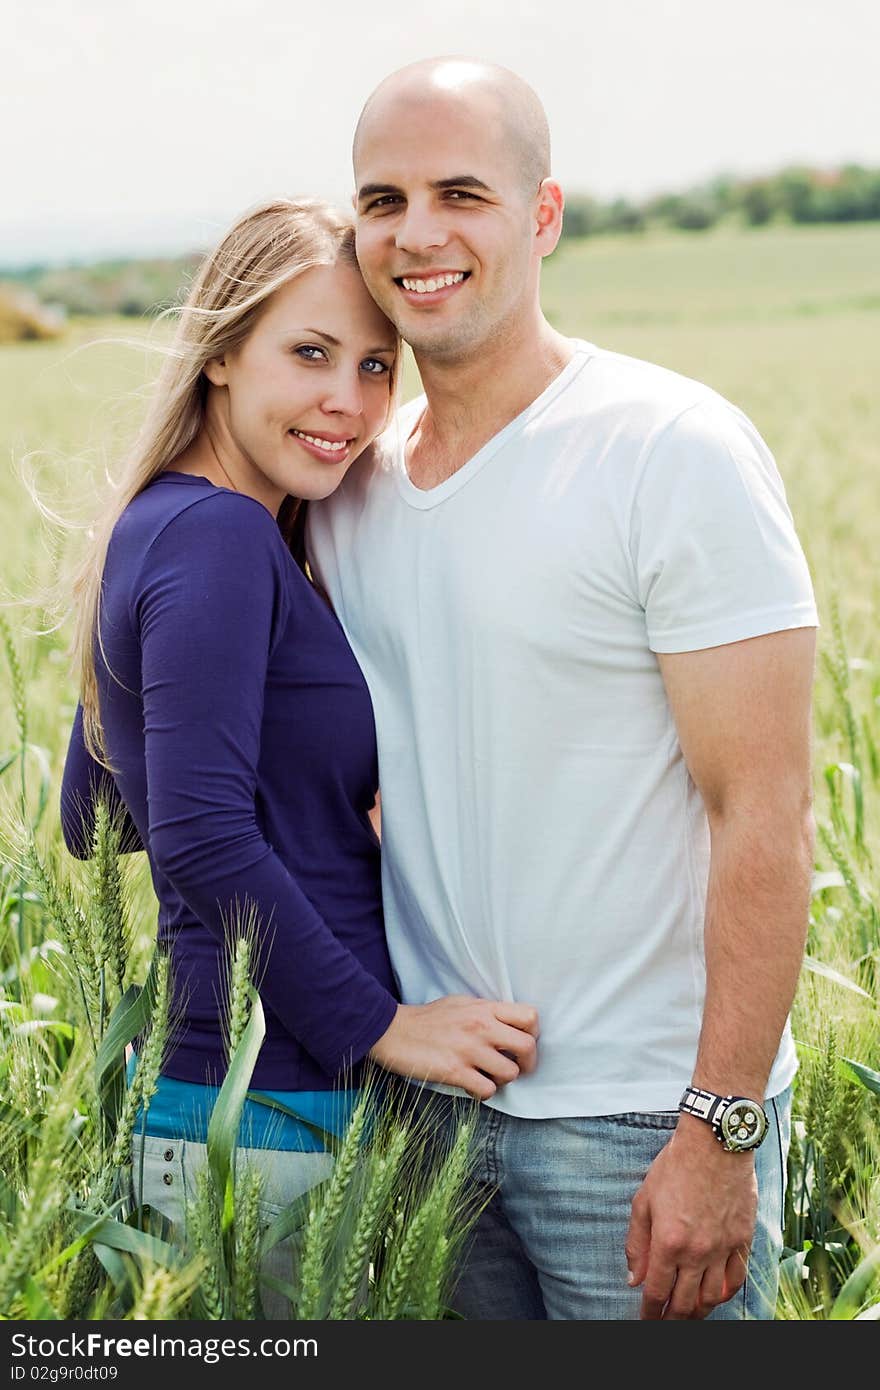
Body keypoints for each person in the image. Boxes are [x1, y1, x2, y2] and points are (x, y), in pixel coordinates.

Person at [306, 59, 819, 1320]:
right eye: (383, 198)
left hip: (641, 1123)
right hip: (432, 1126)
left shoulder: (665, 448)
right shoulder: (347, 491)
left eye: (460, 193)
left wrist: (717, 1131)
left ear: (542, 215)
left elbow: (763, 814)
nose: (416, 235)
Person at [59, 197, 540, 1316]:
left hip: (224, 1098)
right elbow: (195, 830)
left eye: (378, 366)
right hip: (267, 1107)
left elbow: (96, 812)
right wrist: (383, 1025)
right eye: (310, 353)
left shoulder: (170, 525)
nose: (350, 401)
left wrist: (326, 805)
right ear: (221, 352)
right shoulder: (219, 537)